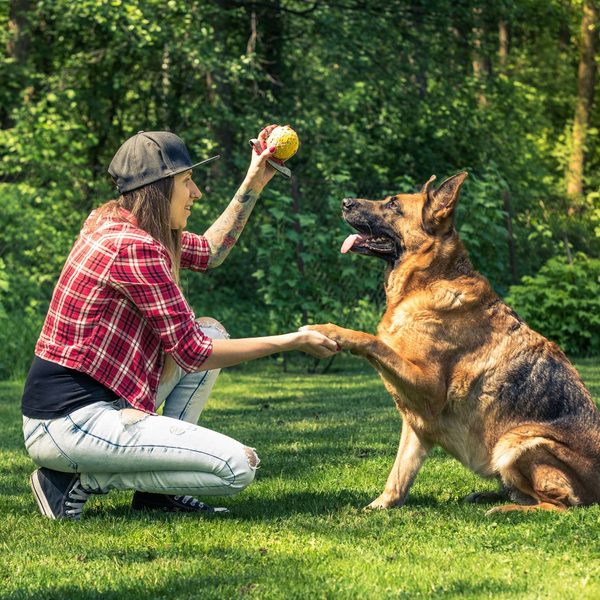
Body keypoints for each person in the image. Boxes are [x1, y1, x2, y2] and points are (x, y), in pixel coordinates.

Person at [21, 127, 340, 521]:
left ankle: (157, 496)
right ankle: (73, 482)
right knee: (237, 466)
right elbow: (192, 353)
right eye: (186, 182)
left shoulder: (120, 223)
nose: (197, 193)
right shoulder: (134, 247)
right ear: (158, 188)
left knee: (211, 330)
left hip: (91, 405)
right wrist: (290, 340)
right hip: (69, 421)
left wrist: (255, 178)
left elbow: (209, 251)